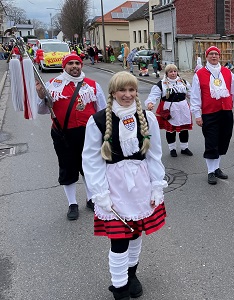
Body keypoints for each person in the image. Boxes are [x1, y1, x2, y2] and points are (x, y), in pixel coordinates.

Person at [82, 71, 167, 300]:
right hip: (114, 186)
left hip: (140, 184)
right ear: (113, 92)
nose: (127, 95)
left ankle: (132, 274)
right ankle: (119, 288)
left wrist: (157, 185)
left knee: (136, 232)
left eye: (132, 90)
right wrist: (100, 194)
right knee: (119, 239)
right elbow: (91, 160)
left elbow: (155, 155)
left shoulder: (148, 118)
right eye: (122, 90)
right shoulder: (98, 120)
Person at [35, 52, 107, 220]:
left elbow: (102, 110)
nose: (74, 66)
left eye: (77, 63)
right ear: (64, 66)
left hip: (88, 134)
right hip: (62, 134)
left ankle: (91, 199)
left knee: (89, 167)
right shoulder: (52, 85)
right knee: (68, 168)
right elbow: (42, 110)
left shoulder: (92, 85)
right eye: (71, 63)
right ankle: (72, 203)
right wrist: (41, 97)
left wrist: (104, 133)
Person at [190, 45, 234, 185]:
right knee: (211, 142)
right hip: (209, 113)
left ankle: (217, 167)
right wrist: (197, 114)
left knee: (222, 141)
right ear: (206, 57)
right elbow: (195, 96)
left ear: (219, 56)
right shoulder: (200, 74)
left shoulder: (227, 72)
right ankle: (210, 171)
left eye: (216, 54)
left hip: (225, 112)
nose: (214, 56)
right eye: (211, 54)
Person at [146, 64, 194, 157]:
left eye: (175, 71)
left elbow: (191, 94)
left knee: (184, 129)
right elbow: (153, 95)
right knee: (170, 130)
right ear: (167, 73)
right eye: (170, 71)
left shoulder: (183, 82)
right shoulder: (161, 84)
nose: (173, 73)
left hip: (183, 108)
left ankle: (184, 148)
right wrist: (150, 103)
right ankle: (172, 149)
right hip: (170, 109)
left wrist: (198, 103)